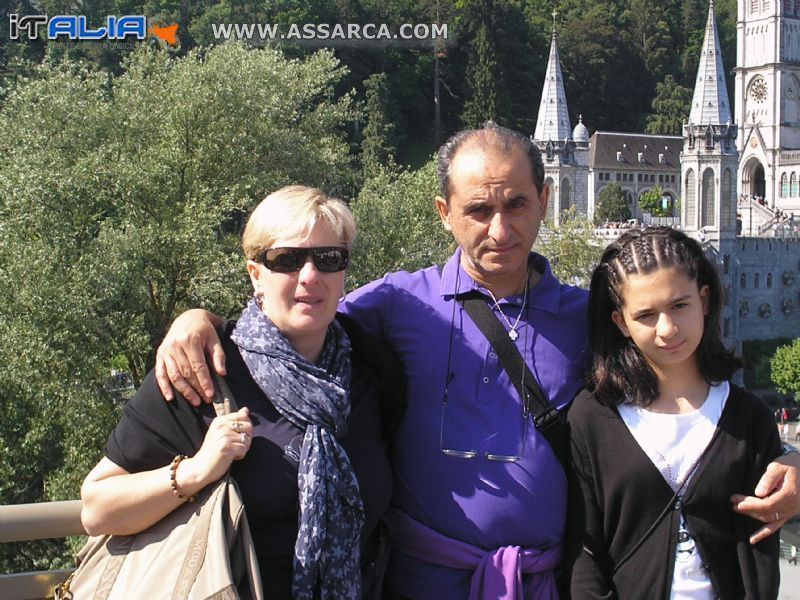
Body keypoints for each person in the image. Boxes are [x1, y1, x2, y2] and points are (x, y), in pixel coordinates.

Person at [153, 124, 800, 598]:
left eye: (517, 204)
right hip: (418, 585)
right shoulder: (400, 304)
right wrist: (201, 320)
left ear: (545, 200)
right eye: (479, 210)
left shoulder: (588, 315)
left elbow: (691, 397)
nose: (500, 228)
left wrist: (788, 459)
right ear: (444, 215)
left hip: (550, 585)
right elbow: (298, 312)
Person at [80, 186, 398, 600]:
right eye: (286, 259)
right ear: (255, 273)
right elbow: (97, 508)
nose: (310, 275)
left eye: (328, 258)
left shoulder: (368, 367)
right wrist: (196, 471)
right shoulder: (202, 370)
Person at [567, 227, 780, 598]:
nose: (667, 329)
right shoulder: (593, 417)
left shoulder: (749, 419)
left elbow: (759, 552)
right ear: (621, 323)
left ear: (705, 300)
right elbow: (583, 551)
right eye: (646, 315)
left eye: (679, 306)